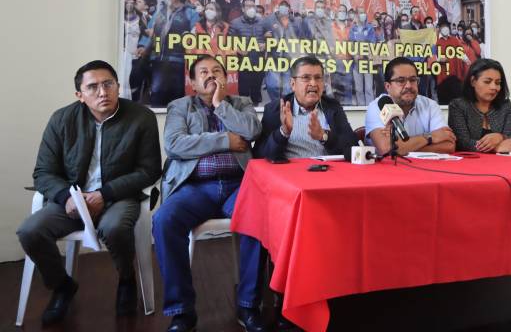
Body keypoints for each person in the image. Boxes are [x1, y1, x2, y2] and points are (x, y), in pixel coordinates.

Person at [17, 61, 162, 326]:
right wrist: (67, 198)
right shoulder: (61, 119)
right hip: (72, 200)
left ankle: (127, 279)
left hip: (118, 196)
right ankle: (62, 286)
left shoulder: (141, 117)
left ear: (118, 86)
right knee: (30, 231)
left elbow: (149, 170)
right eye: (92, 87)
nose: (102, 92)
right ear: (79, 95)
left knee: (116, 227)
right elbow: (43, 172)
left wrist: (104, 194)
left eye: (108, 84)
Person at [153, 55, 264, 332]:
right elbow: (176, 144)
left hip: (238, 186)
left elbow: (252, 130)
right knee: (164, 220)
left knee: (260, 218)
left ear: (227, 78)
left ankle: (248, 305)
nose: (211, 75)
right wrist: (225, 139)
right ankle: (182, 310)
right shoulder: (180, 106)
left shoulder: (242, 103)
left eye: (217, 70)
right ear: (192, 82)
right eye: (203, 72)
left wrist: (220, 105)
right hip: (195, 188)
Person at [257, 56, 357, 161]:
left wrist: (324, 136)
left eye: (318, 78)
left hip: (327, 173)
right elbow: (261, 155)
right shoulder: (276, 110)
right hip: (290, 175)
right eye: (306, 77)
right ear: (293, 84)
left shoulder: (333, 107)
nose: (313, 83)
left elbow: (353, 149)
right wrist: (283, 132)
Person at [365, 57, 456, 155]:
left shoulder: (430, 106)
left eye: (413, 80)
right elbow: (386, 148)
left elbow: (449, 145)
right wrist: (430, 137)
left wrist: (403, 149)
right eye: (401, 81)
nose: (408, 85)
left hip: (425, 168)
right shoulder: (378, 106)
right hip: (388, 169)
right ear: (388, 86)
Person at [140, 0, 200, 107]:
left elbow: (196, 35)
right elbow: (150, 32)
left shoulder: (190, 13)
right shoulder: (160, 13)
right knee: (157, 93)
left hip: (179, 62)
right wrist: (143, 45)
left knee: (177, 94)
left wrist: (189, 36)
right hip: (158, 60)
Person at [448, 58, 511, 152]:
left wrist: (500, 137)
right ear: (473, 81)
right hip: (469, 162)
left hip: (503, 162)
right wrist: (496, 148)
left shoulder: (507, 106)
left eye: (498, 83)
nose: (494, 87)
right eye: (487, 82)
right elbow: (462, 143)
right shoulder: (458, 106)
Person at [229, 0, 266, 105]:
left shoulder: (262, 22)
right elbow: (229, 42)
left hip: (258, 63)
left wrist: (265, 45)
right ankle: (244, 116)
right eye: (248, 6)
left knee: (256, 94)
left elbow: (269, 38)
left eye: (253, 6)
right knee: (243, 94)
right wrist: (239, 50)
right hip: (243, 64)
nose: (251, 9)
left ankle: (256, 116)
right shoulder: (235, 23)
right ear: (243, 8)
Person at [349, 7, 378, 105]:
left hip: (367, 62)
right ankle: (361, 108)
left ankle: (369, 108)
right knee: (358, 88)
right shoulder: (353, 29)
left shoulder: (370, 28)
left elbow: (373, 43)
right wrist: (355, 55)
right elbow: (351, 43)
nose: (363, 15)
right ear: (357, 15)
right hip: (356, 63)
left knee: (369, 88)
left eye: (364, 13)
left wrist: (364, 54)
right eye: (361, 13)